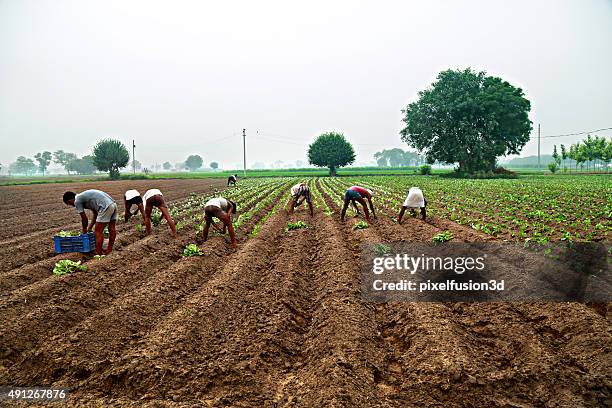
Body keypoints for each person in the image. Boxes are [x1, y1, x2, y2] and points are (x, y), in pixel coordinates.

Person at [62, 189, 117, 256]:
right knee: (111, 228)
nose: (72, 205)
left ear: (69, 201)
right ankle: (109, 250)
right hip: (113, 204)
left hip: (105, 206)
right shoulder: (84, 197)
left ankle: (99, 254)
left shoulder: (77, 201)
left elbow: (84, 219)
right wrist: (90, 228)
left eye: (69, 204)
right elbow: (95, 214)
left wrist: (84, 232)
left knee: (98, 231)